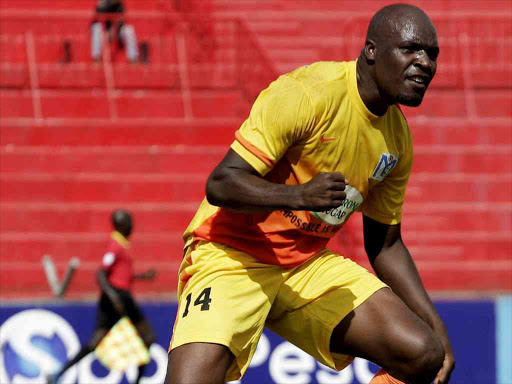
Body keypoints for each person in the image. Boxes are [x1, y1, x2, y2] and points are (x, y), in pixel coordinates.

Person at [166, 3, 455, 384]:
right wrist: (300, 196)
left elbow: (385, 245)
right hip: (230, 252)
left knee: (423, 353)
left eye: (431, 54)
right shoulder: (308, 94)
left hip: (304, 264)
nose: (425, 63)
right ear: (371, 50)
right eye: (412, 49)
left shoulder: (397, 141)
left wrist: (440, 334)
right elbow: (221, 184)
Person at [47, 209, 156, 384]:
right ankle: (136, 381)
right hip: (119, 297)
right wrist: (114, 297)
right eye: (129, 222)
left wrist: (141, 276)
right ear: (122, 225)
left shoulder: (122, 244)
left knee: (95, 342)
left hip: (115, 295)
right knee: (149, 337)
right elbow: (101, 273)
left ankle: (58, 374)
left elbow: (119, 274)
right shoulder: (115, 245)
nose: (132, 225)